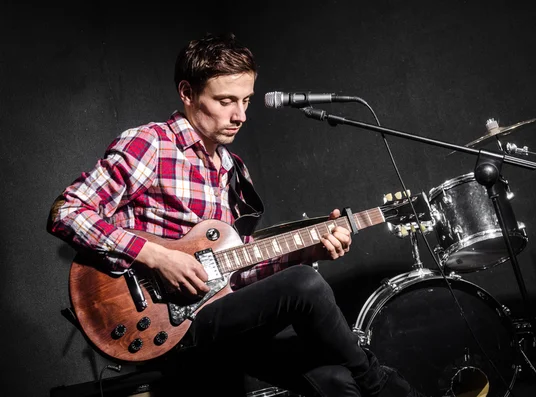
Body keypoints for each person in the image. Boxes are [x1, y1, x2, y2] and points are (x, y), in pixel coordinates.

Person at [48, 32, 427, 397]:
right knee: (303, 286)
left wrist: (308, 251)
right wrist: (158, 257)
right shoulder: (151, 144)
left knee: (337, 382)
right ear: (188, 93)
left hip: (219, 316)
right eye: (227, 100)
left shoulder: (232, 168)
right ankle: (383, 384)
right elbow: (67, 212)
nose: (241, 114)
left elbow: (237, 273)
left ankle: (366, 381)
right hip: (167, 323)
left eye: (246, 100)